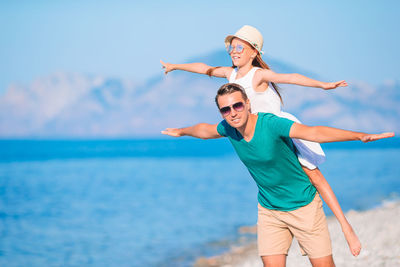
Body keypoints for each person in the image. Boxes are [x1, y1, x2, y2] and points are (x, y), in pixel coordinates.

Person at [160, 25, 361, 256]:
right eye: (231, 47)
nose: (233, 51)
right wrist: (175, 66)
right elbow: (205, 69)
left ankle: (346, 228)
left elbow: (291, 77)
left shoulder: (258, 74)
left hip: (280, 131)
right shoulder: (230, 74)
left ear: (254, 52)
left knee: (314, 175)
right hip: (257, 135)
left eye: (239, 47)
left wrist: (323, 85)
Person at [162, 83, 394, 267]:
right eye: (225, 109)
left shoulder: (271, 125)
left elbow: (314, 132)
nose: (232, 113)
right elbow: (204, 130)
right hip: (270, 210)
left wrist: (359, 136)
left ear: (248, 104)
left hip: (303, 207)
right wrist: (181, 131)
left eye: (237, 106)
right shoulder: (229, 129)